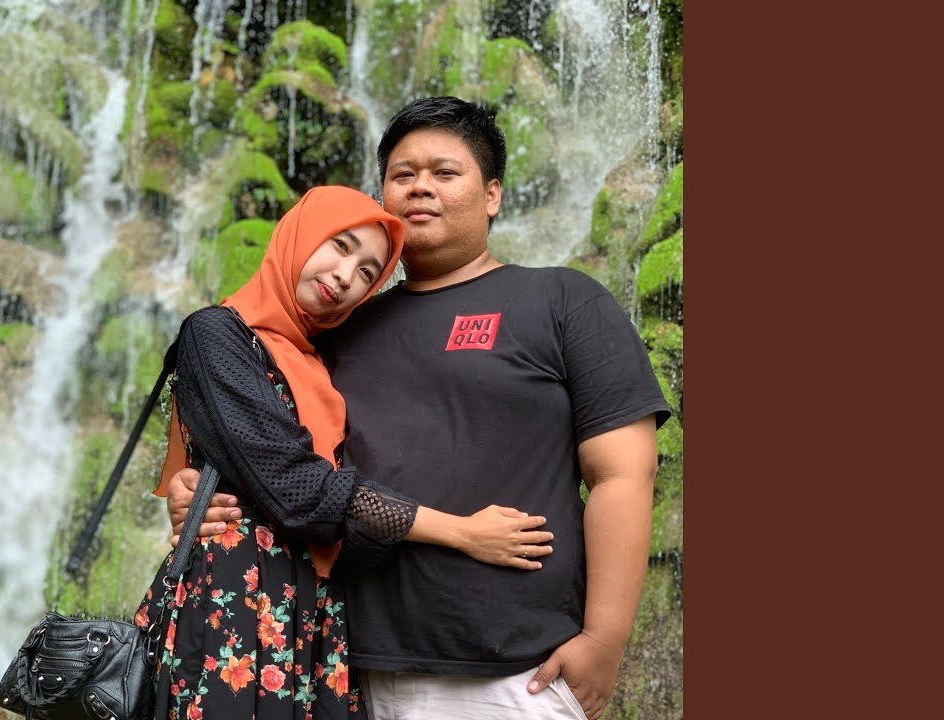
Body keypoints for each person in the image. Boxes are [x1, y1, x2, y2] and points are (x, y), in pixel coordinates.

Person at [164, 97, 672, 720]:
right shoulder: (334, 327)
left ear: (492, 194)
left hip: (516, 672)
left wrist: (603, 640)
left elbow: (622, 472)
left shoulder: (562, 300)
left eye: (444, 172)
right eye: (402, 174)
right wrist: (199, 491)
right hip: (338, 669)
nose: (420, 187)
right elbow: (282, 463)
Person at [134, 184, 555, 720]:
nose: (344, 275)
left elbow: (344, 482)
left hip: (318, 616)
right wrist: (462, 533)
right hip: (234, 611)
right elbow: (300, 491)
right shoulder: (217, 333)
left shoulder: (322, 360)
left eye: (366, 272)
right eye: (340, 245)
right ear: (300, 233)